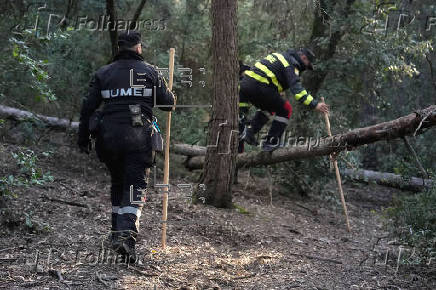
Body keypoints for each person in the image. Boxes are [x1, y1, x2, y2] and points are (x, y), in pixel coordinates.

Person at [77, 31, 175, 263]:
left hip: (108, 139)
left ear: (119, 47)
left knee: (119, 183)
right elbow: (167, 104)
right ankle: (126, 237)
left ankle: (115, 234)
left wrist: (82, 138)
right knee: (135, 186)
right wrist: (171, 95)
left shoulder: (104, 72)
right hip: (138, 138)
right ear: (138, 48)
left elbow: (87, 107)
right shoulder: (151, 71)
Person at [239, 48, 329, 151]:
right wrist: (315, 104)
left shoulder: (280, 56)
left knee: (271, 107)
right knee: (286, 109)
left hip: (246, 85)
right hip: (260, 86)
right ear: (303, 58)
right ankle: (271, 142)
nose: (305, 68)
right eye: (307, 65)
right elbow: (297, 91)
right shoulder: (290, 64)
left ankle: (250, 132)